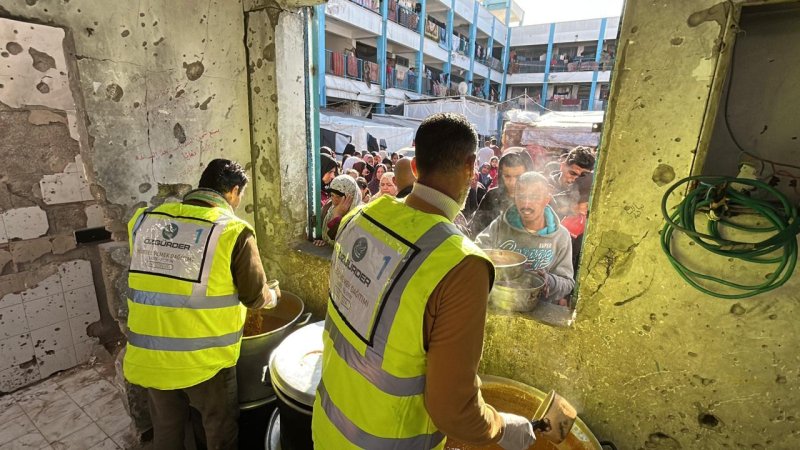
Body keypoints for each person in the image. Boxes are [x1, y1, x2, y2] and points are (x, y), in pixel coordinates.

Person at [312, 113, 536, 450]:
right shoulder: (462, 264)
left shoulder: (359, 218)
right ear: (471, 167)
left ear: (415, 167)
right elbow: (453, 410)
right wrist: (503, 428)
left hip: (327, 427)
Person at [124, 159, 280, 450]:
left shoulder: (144, 221)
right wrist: (274, 295)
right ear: (234, 191)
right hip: (205, 362)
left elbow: (165, 281)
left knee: (167, 432)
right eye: (240, 196)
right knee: (219, 432)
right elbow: (254, 297)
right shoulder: (233, 231)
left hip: (151, 354)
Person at [475, 172, 575, 306]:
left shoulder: (561, 236)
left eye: (534, 197)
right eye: (521, 196)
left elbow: (568, 282)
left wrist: (549, 281)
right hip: (498, 303)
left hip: (537, 309)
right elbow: (477, 252)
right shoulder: (500, 225)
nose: (526, 204)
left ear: (546, 199)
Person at [548, 146, 596, 269]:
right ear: (562, 166)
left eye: (582, 176)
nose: (575, 179)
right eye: (572, 173)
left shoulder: (589, 195)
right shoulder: (545, 186)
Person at [469, 148, 533, 238]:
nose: (512, 182)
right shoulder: (492, 196)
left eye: (518, 177)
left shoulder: (538, 199)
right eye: (507, 176)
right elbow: (476, 229)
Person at [315, 175, 363, 247]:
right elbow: (317, 232)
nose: (334, 201)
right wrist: (320, 239)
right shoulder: (327, 208)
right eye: (332, 195)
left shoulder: (360, 216)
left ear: (351, 196)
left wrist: (337, 216)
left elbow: (345, 244)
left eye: (339, 196)